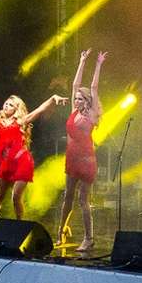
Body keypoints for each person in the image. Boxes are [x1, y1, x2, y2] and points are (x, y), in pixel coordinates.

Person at [0, 78, 63, 234]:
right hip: (6, 164)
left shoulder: (21, 121)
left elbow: (38, 111)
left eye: (11, 104)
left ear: (16, 109)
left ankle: (19, 226)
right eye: (6, 103)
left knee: (16, 197)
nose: (6, 105)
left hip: (22, 162)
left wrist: (52, 99)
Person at [58, 47, 107, 253]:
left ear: (87, 101)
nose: (76, 100)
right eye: (75, 98)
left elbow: (93, 87)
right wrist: (82, 61)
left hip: (86, 159)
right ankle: (61, 230)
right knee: (67, 195)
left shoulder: (92, 115)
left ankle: (89, 238)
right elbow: (76, 84)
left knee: (83, 200)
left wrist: (97, 65)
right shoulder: (74, 111)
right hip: (72, 157)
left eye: (79, 98)